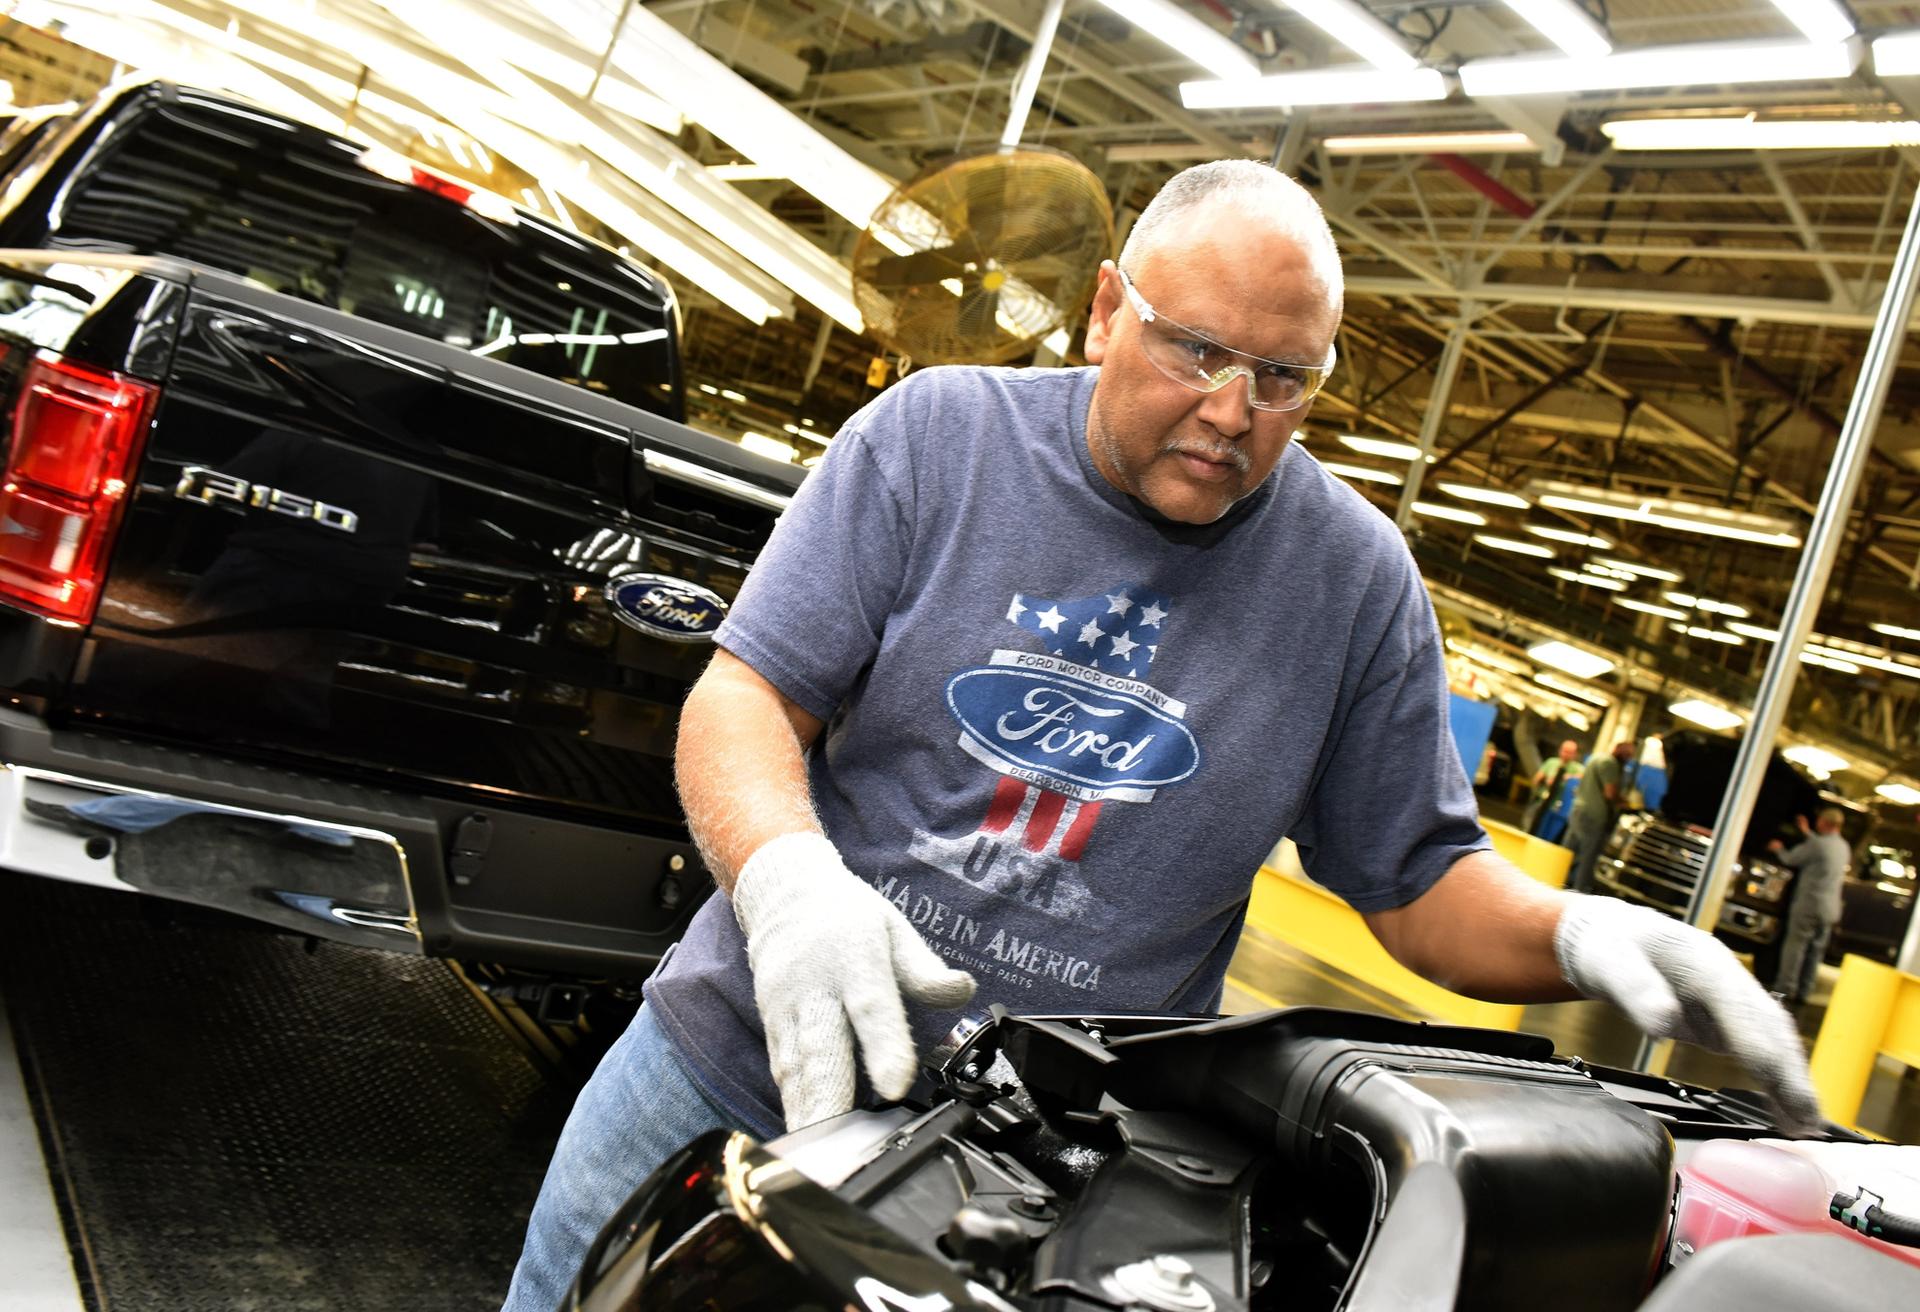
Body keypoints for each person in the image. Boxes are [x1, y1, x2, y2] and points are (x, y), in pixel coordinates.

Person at [499, 162, 1819, 1311]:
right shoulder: (937, 438)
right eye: (1195, 350)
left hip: (1039, 1173)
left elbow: (1416, 883)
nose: (1233, 412)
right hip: (737, 1068)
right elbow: (745, 696)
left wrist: (1579, 934)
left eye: (1284, 378)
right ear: (1105, 309)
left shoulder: (1354, 586)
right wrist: (788, 883)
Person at [1768, 808, 1852, 1005]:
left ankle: (1785, 988)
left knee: (1795, 946)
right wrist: (1807, 832)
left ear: (1824, 822)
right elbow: (1821, 848)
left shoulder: (1817, 845)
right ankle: (1805, 991)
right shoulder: (1843, 847)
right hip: (1830, 908)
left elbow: (1791, 858)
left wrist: (1778, 848)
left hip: (1809, 905)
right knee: (1815, 952)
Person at [1565, 739, 1635, 894]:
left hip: (1578, 810)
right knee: (1587, 861)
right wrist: (1623, 802)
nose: (1628, 758)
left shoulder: (1595, 757)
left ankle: (1556, 884)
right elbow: (1610, 793)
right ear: (1619, 750)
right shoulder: (1610, 763)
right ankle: (1579, 894)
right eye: (1628, 754)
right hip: (1594, 816)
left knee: (1567, 854)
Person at [1523, 739, 1581, 836]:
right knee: (1529, 826)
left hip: (1559, 808)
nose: (1566, 754)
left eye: (1570, 752)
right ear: (1560, 750)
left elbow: (1582, 777)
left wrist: (1567, 777)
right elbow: (1536, 779)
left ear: (1574, 754)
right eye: (1565, 751)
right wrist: (1546, 781)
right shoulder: (1551, 762)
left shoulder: (1577, 768)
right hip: (1542, 800)